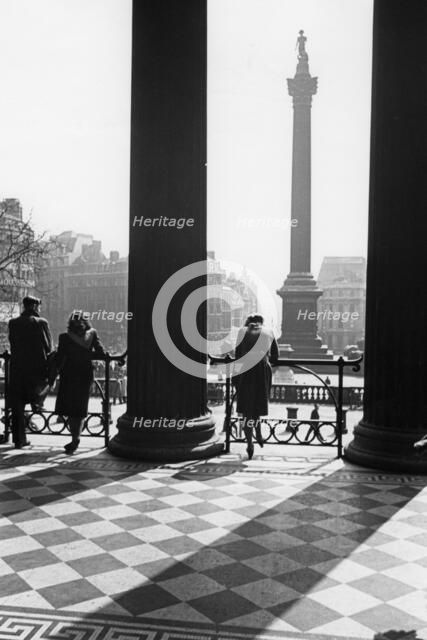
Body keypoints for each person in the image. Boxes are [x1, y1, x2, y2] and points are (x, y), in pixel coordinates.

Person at [55, 312, 107, 454]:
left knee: (71, 409)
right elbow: (101, 352)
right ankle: (76, 437)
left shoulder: (64, 337)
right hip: (85, 374)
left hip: (69, 375)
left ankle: (74, 438)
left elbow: (59, 357)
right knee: (80, 407)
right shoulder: (92, 334)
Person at [8, 296, 52, 448]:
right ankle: (37, 402)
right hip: (36, 371)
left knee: (17, 406)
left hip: (17, 369)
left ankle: (19, 440)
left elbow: (12, 343)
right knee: (48, 384)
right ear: (34, 306)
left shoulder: (13, 323)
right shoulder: (41, 323)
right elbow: (48, 347)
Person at [233, 314, 279, 459]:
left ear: (248, 323)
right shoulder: (269, 331)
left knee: (247, 409)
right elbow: (275, 357)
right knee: (257, 404)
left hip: (245, 370)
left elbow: (238, 355)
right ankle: (258, 433)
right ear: (261, 323)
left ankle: (249, 444)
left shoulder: (241, 331)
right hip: (262, 370)